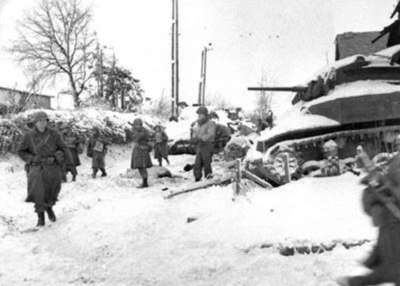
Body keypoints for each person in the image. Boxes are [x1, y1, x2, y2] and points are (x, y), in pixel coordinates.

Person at [338, 152, 400, 286]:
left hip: (391, 223)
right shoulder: (395, 164)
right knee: (391, 269)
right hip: (391, 224)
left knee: (390, 269)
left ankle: (354, 282)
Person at [18, 111, 72, 227]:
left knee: (52, 191)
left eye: (44, 120)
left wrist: (68, 162)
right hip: (36, 167)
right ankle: (40, 217)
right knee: (38, 192)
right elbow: (21, 151)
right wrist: (31, 158)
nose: (42, 123)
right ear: (35, 122)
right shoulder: (29, 135)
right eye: (39, 120)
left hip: (52, 167)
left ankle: (49, 208)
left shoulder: (54, 134)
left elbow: (64, 148)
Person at [191, 106, 216, 182]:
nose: (199, 115)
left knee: (206, 162)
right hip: (200, 145)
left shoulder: (210, 123)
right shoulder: (198, 124)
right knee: (197, 162)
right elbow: (196, 133)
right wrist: (194, 138)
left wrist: (202, 138)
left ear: (205, 115)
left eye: (201, 114)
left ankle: (208, 178)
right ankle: (197, 177)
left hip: (207, 145)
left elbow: (211, 134)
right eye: (198, 114)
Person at [131, 118, 153, 188]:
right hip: (137, 150)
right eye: (134, 125)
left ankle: (145, 182)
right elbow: (135, 137)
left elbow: (139, 137)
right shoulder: (135, 130)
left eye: (136, 124)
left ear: (140, 124)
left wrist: (140, 134)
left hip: (143, 150)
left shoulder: (144, 131)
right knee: (139, 166)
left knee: (142, 166)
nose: (135, 126)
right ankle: (144, 181)